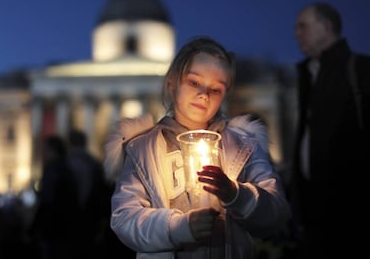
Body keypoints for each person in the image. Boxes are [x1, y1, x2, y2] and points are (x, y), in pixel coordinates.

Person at [104, 36, 291, 258]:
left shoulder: (244, 146)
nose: (204, 94)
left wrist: (235, 194)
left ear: (225, 95)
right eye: (194, 82)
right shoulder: (142, 149)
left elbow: (276, 214)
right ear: (172, 82)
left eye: (216, 89)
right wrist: (181, 227)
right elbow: (125, 219)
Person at [290, 2, 370, 257]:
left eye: (303, 26)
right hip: (314, 211)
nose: (296, 33)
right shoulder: (307, 74)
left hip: (352, 209)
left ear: (327, 27)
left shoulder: (359, 69)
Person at [31, 135, 80, 259]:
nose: (43, 154)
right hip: (67, 225)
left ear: (52, 150)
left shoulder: (52, 169)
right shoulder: (68, 169)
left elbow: (48, 200)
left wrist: (34, 227)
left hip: (54, 226)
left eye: (45, 150)